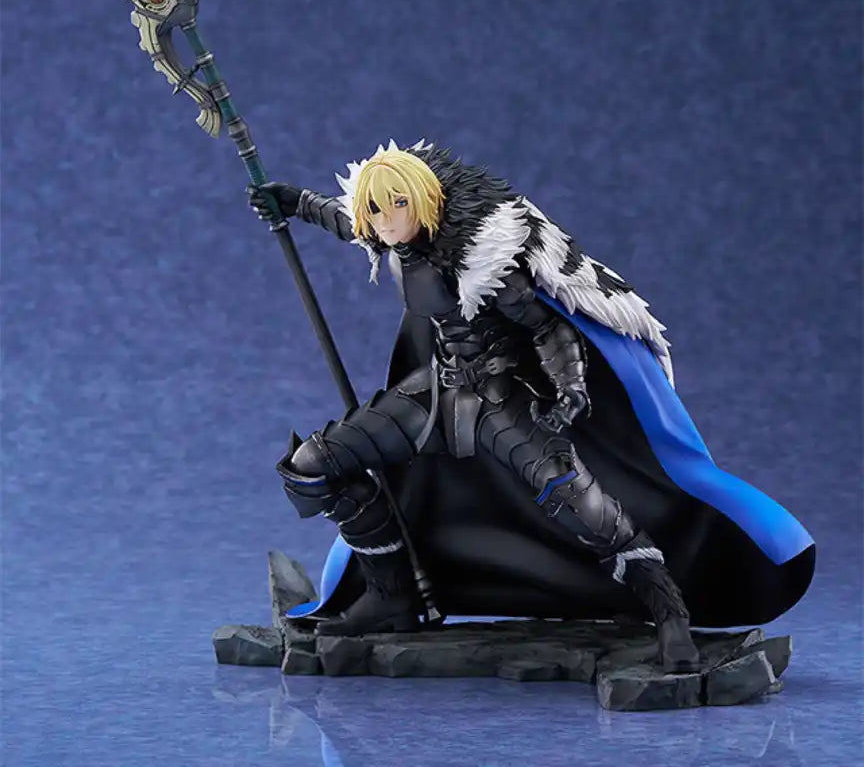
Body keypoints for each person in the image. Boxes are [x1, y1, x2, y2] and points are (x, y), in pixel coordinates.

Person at [248, 140, 814, 674]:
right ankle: (391, 594)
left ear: (425, 202)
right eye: (376, 208)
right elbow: (349, 222)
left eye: (398, 204)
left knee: (586, 510)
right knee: (312, 465)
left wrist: (570, 392)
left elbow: (549, 330)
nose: (385, 218)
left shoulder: (485, 264)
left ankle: (669, 615)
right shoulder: (394, 242)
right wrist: (295, 202)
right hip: (435, 395)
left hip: (501, 401)